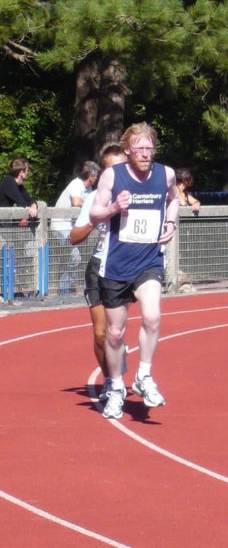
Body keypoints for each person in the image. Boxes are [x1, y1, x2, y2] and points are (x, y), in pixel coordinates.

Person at [89, 122, 179, 420]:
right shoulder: (112, 175)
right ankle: (116, 386)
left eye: (149, 147)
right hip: (116, 264)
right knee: (115, 333)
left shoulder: (165, 174)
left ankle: (144, 375)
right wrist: (114, 207)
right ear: (127, 150)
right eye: (139, 148)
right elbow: (94, 213)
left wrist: (170, 223)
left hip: (149, 261)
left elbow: (174, 199)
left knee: (152, 316)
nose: (144, 153)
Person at [70, 146, 128, 400]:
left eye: (122, 167)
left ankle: (128, 363)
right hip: (99, 265)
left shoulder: (140, 195)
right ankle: (110, 380)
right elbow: (74, 237)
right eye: (112, 168)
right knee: (101, 333)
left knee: (118, 331)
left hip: (127, 267)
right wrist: (98, 217)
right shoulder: (94, 198)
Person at [51, 161, 101, 294]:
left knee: (79, 256)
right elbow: (76, 202)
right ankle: (63, 289)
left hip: (72, 228)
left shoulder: (89, 190)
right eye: (96, 176)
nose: (97, 179)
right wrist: (90, 205)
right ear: (91, 176)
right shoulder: (76, 184)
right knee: (75, 257)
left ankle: (73, 287)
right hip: (61, 226)